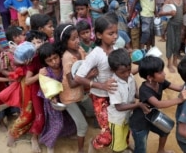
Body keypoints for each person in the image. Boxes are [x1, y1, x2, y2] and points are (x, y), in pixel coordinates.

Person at [74, 12, 119, 151]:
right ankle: (94, 145)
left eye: (116, 33)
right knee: (107, 135)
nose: (115, 36)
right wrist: (100, 85)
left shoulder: (116, 50)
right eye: (111, 34)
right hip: (100, 98)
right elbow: (78, 77)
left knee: (118, 125)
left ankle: (119, 145)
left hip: (115, 96)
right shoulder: (96, 54)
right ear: (99, 35)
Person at [129, 56, 186, 153]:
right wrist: (179, 99)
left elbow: (179, 88)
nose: (164, 73)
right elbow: (158, 104)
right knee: (141, 149)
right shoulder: (144, 90)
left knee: (165, 130)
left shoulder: (160, 82)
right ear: (149, 77)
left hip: (152, 117)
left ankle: (161, 150)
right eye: (160, 72)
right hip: (139, 124)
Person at [54, 23, 95, 153]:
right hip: (69, 96)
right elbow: (71, 83)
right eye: (73, 39)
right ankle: (81, 150)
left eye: (77, 37)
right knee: (82, 125)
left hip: (81, 92)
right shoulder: (67, 57)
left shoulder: (80, 50)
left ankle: (84, 116)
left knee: (92, 110)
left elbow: (87, 61)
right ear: (64, 42)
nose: (77, 40)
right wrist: (90, 75)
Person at [107, 48, 150, 152]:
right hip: (117, 120)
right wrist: (138, 105)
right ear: (113, 70)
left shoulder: (130, 77)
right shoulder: (113, 84)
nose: (126, 74)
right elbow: (119, 107)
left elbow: (135, 93)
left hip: (128, 116)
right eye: (122, 72)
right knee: (117, 144)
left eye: (129, 69)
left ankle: (124, 147)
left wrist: (147, 97)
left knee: (125, 136)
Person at [37, 42, 76, 153]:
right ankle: (50, 144)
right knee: (57, 124)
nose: (54, 62)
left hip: (65, 98)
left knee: (68, 118)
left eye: (56, 57)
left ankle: (68, 134)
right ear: (44, 62)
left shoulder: (64, 67)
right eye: (50, 60)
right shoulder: (46, 72)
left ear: (60, 55)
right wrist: (52, 98)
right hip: (52, 102)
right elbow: (44, 87)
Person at [158, 0, 186, 73]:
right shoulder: (169, 0)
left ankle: (175, 61)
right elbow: (160, 13)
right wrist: (168, 13)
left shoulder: (182, 0)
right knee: (170, 44)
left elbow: (183, 12)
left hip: (180, 25)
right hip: (172, 25)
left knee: (177, 44)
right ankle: (169, 64)